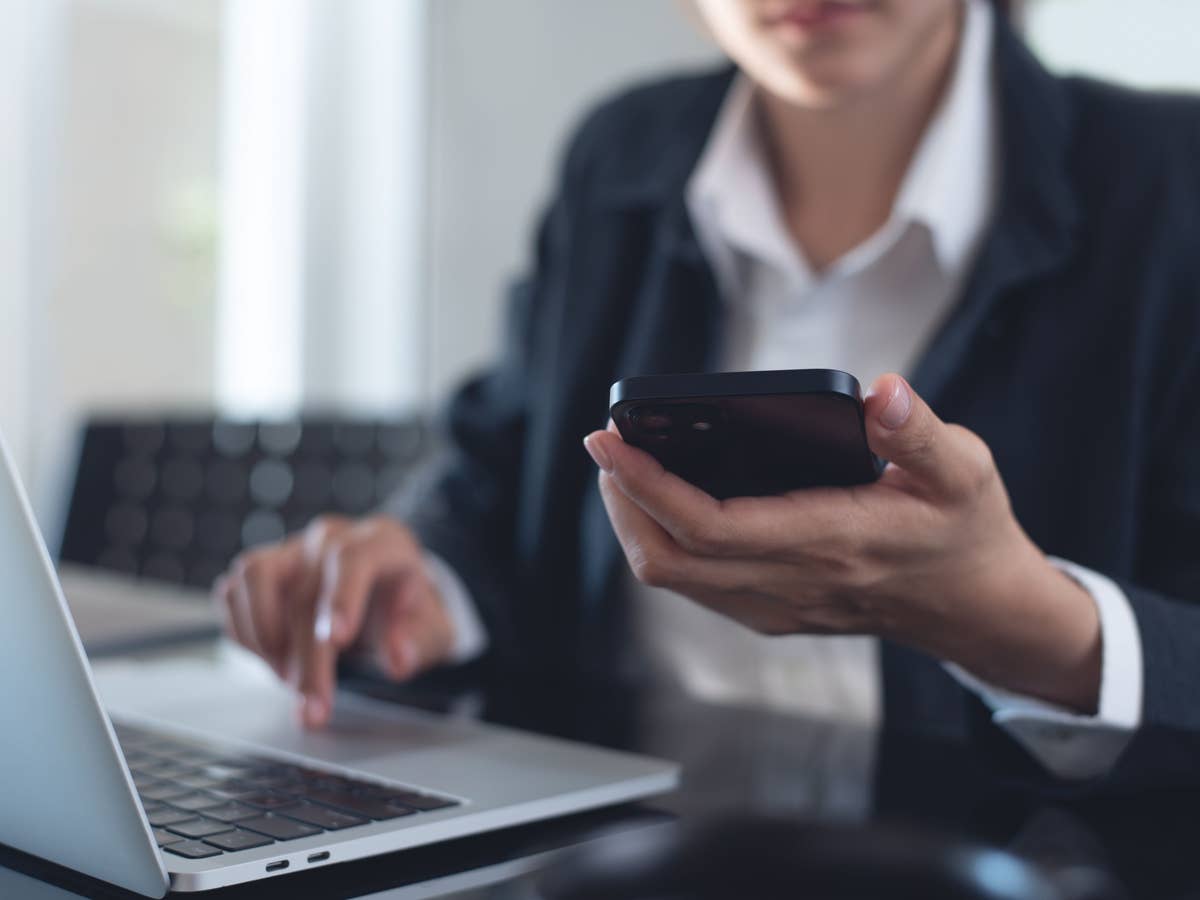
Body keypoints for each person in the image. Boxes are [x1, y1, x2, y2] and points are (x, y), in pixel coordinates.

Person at [216, 0, 1200, 784]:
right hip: (622, 837)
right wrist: (426, 578)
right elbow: (501, 473)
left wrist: (1019, 620)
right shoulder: (619, 156)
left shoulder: (1170, 184)